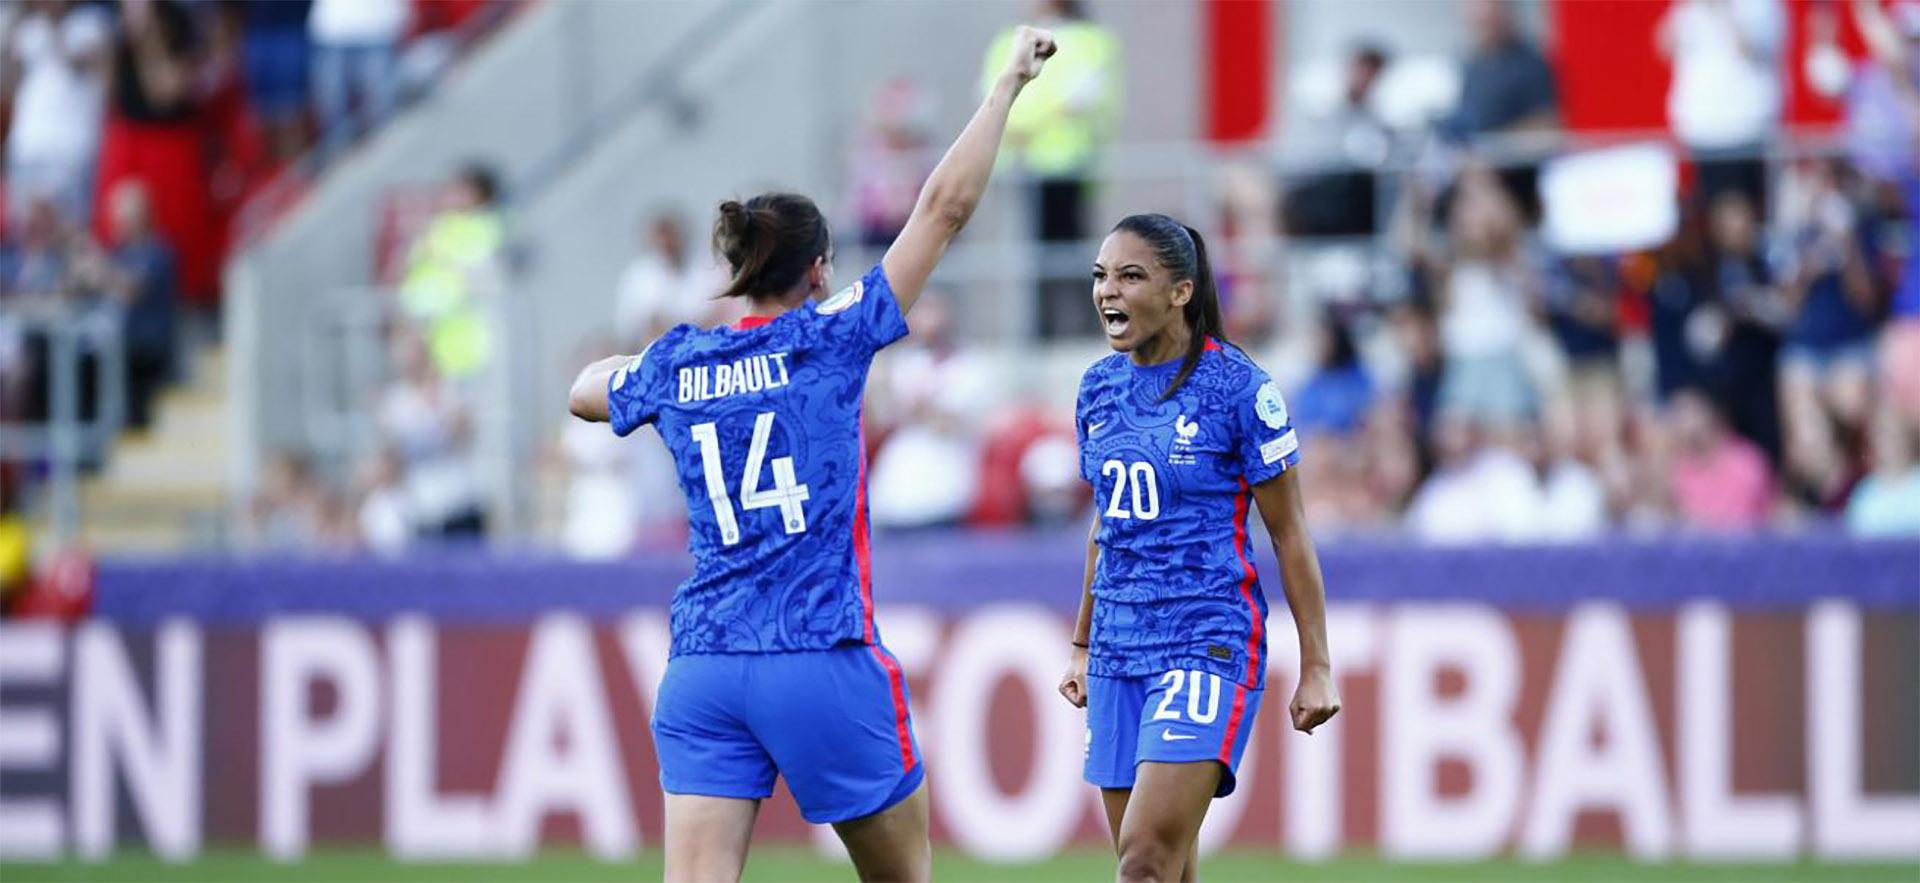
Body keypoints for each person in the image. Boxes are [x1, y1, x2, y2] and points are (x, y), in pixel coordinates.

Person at [566, 28, 1056, 883]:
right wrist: (1007, 84)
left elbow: (583, 391)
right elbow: (941, 210)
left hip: (706, 663)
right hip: (819, 651)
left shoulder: (679, 363)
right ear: (820, 270)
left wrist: (652, 366)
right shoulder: (831, 338)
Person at [1057, 213, 1339, 883]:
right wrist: (1082, 643)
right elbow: (1107, 524)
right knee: (1166, 869)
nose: (1108, 291)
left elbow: (1290, 532)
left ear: (1181, 291)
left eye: (1131, 276)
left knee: (1142, 860)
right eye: (1101, 276)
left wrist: (1317, 665)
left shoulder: (1239, 389)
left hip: (1204, 638)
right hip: (1118, 645)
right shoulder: (1097, 387)